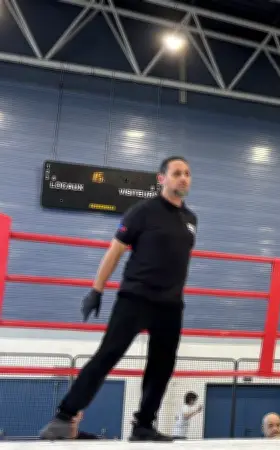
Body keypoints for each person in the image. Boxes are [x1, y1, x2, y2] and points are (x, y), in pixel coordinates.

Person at [40, 156, 197, 442]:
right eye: (177, 173)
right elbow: (115, 251)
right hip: (136, 298)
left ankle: (143, 426)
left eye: (187, 173)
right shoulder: (143, 211)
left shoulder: (190, 220)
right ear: (161, 178)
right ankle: (64, 417)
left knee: (162, 366)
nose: (183, 178)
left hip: (171, 305)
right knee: (108, 355)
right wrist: (97, 290)